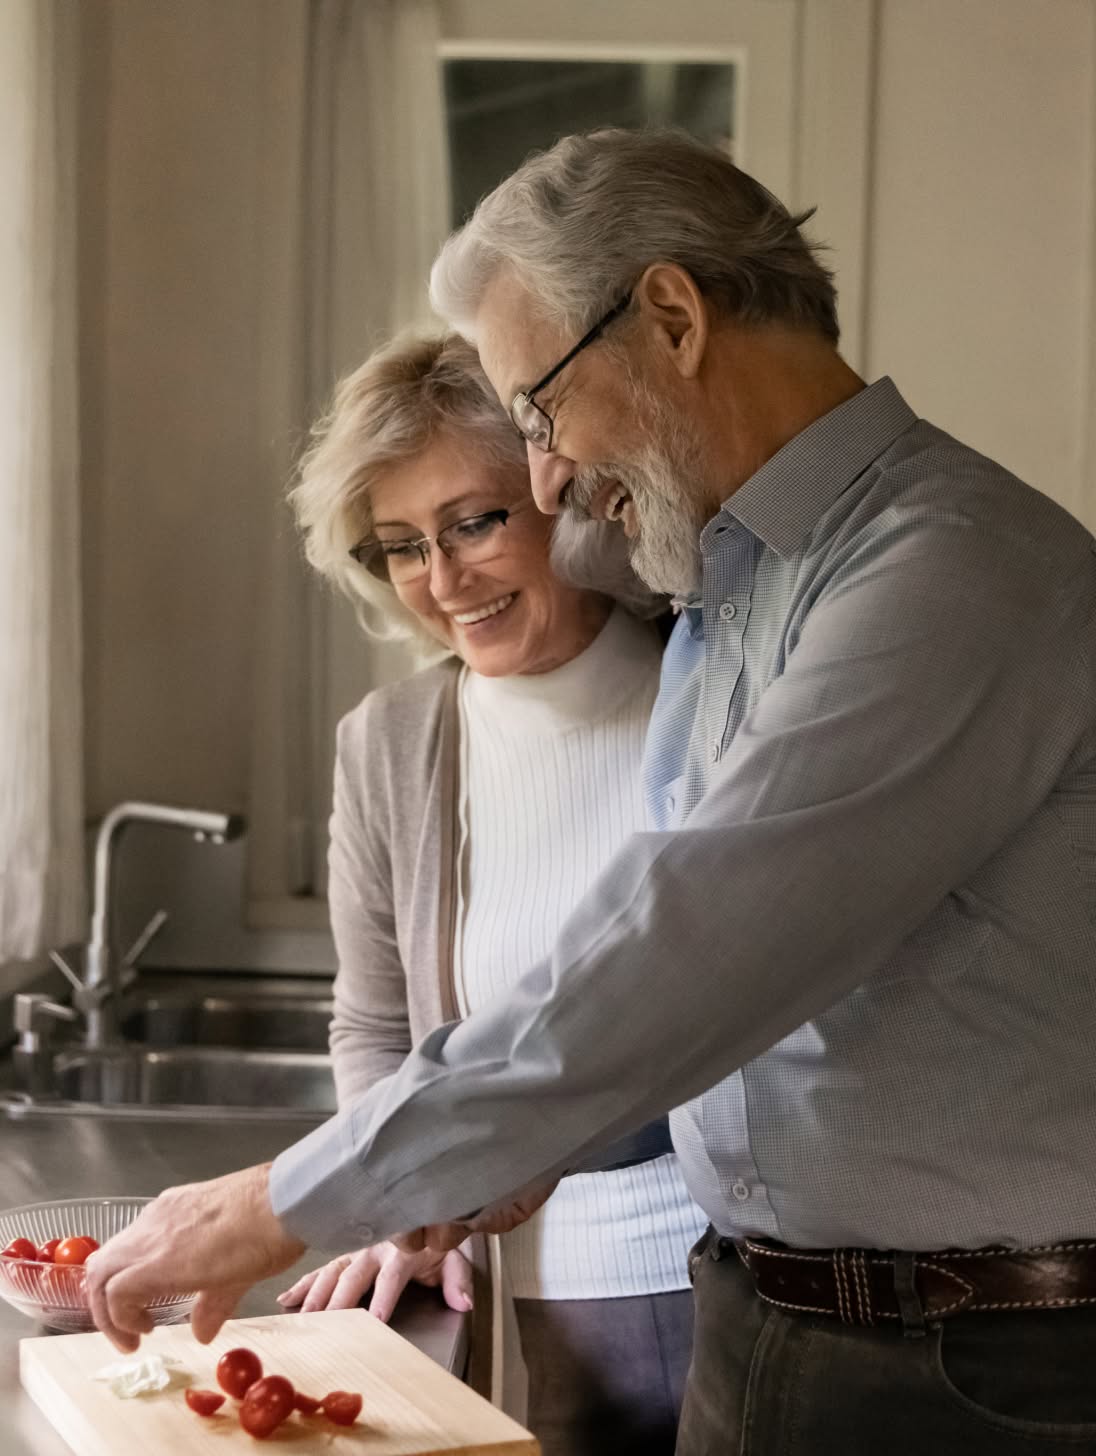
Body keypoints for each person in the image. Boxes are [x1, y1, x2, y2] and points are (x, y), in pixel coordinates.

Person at [86, 129, 1096, 1455]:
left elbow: (690, 948)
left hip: (969, 1364)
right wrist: (500, 1157)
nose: (551, 476)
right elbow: (736, 1028)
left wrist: (285, 1199)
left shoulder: (950, 573)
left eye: (543, 412)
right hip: (778, 1321)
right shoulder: (737, 592)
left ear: (671, 318)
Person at [272, 331, 705, 1455]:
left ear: (564, 493)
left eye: (474, 521)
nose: (442, 580)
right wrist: (394, 1198)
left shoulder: (709, 685)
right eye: (401, 545)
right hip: (498, 1301)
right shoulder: (387, 742)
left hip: (719, 1279)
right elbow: (372, 1023)